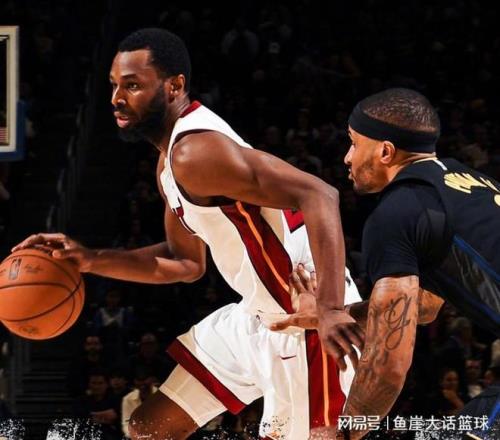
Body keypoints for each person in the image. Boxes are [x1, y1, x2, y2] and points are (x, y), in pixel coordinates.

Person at [13, 28, 362, 439]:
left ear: (174, 86)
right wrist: (90, 259)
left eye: (132, 85)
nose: (117, 98)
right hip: (255, 316)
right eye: (114, 85)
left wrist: (331, 309)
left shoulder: (194, 152)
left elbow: (320, 194)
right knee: (148, 428)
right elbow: (184, 262)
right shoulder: (169, 164)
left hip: (307, 321)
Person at [276, 87, 500, 438]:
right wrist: (335, 314)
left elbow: (388, 366)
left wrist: (345, 433)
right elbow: (424, 307)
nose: (347, 157)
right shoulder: (473, 184)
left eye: (354, 143)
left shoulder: (399, 212)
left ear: (385, 151)